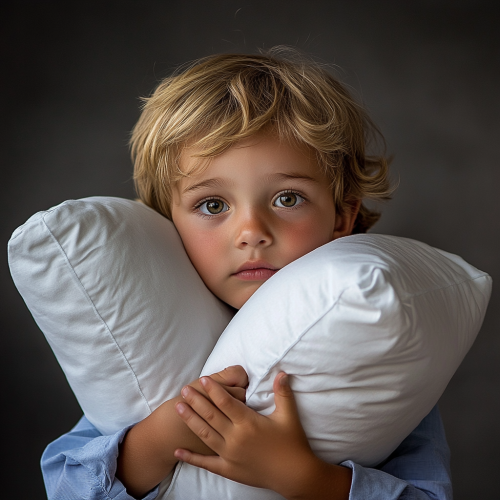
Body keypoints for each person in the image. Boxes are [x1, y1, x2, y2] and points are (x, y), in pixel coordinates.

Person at [41, 50, 452, 499]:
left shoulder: (372, 343)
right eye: (213, 205)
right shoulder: (154, 339)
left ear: (341, 216)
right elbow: (67, 485)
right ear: (167, 225)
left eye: (288, 198)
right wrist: (161, 438)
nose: (252, 232)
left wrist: (302, 477)